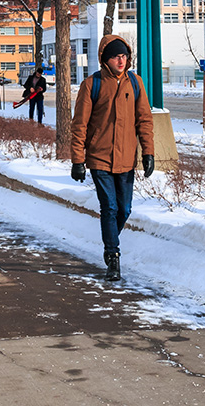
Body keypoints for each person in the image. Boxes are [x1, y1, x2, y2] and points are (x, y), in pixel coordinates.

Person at [70, 35, 155, 282]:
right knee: (109, 207)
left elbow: (145, 120)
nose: (121, 60)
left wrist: (148, 152)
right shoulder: (92, 85)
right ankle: (113, 256)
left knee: (124, 209)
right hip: (99, 158)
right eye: (116, 56)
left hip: (127, 158)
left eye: (124, 56)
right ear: (106, 59)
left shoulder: (135, 83)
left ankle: (110, 241)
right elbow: (80, 126)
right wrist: (78, 160)